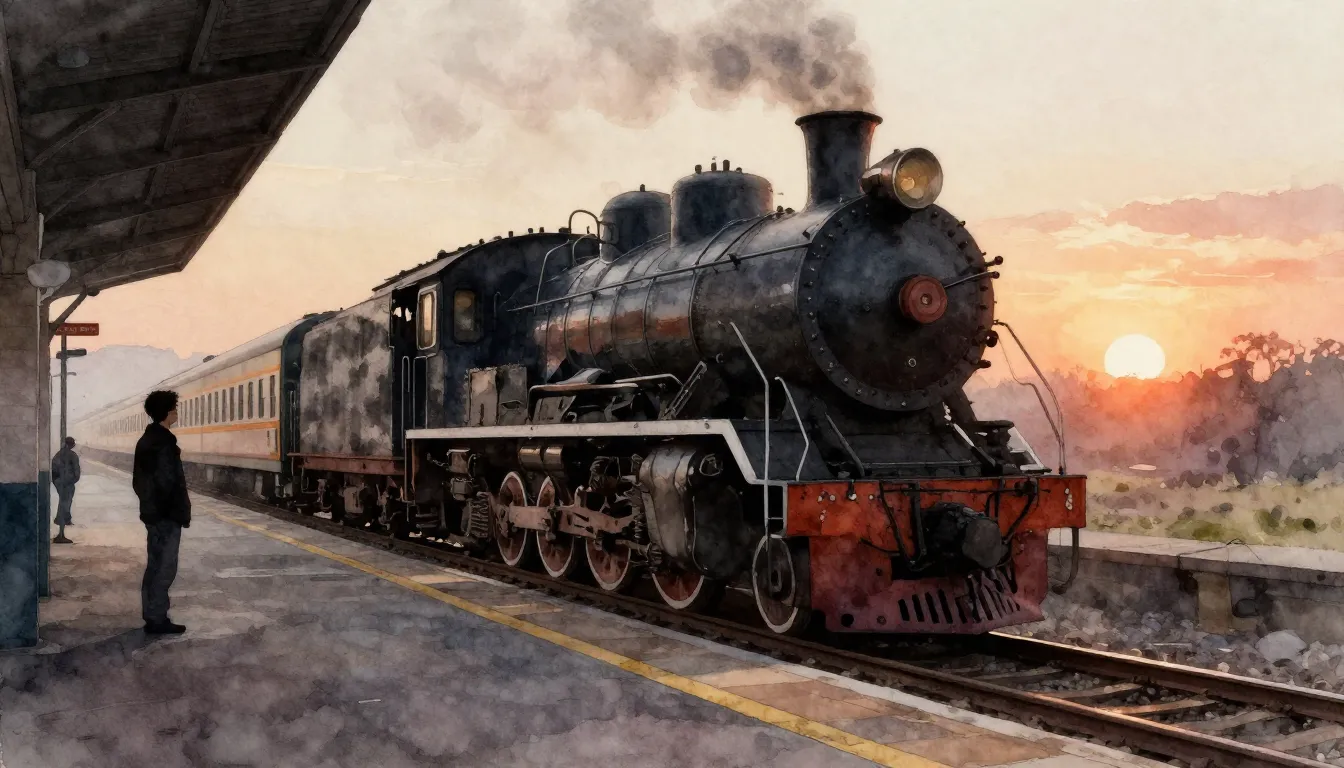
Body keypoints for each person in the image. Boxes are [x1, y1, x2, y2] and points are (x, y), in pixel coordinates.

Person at [132, 390, 190, 635]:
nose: (176, 412)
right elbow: (167, 482)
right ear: (167, 412)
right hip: (165, 516)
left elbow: (140, 483)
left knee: (155, 565)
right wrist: (175, 511)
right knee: (165, 567)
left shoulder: (147, 440)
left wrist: (151, 508)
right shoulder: (163, 443)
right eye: (174, 408)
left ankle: (152, 615)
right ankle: (157, 618)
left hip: (154, 514)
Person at [51, 436, 81, 544]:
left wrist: (57, 482)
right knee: (64, 505)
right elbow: (77, 473)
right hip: (67, 484)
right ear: (72, 444)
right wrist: (71, 480)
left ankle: (64, 522)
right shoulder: (73, 455)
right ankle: (61, 535)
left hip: (59, 482)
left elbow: (53, 470)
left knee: (63, 504)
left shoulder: (58, 454)